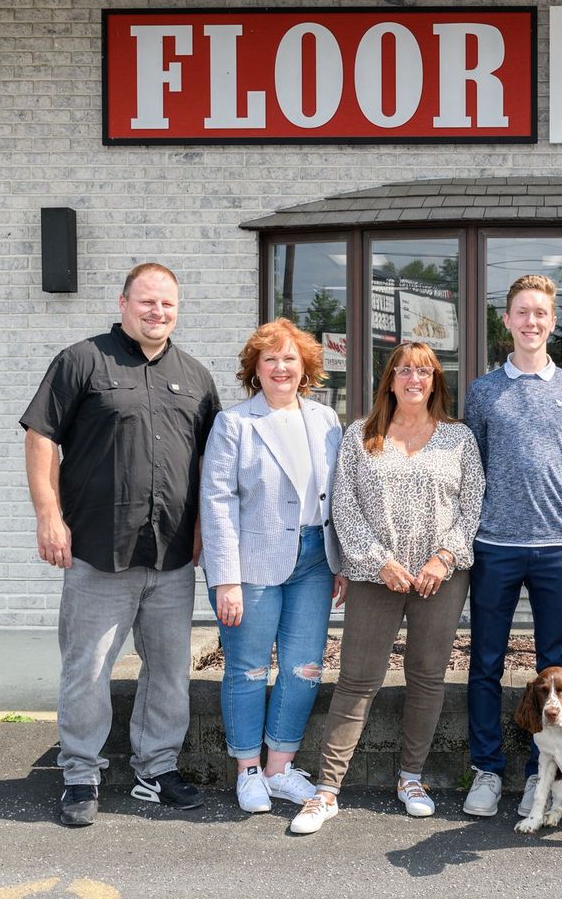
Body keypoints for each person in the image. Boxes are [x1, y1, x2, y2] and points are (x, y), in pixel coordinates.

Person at [21, 263, 221, 827]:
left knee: (168, 669)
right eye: (147, 302)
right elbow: (41, 440)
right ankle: (80, 773)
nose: (157, 312)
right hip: (98, 549)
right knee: (86, 668)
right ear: (124, 302)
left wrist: (204, 531)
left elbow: (210, 462)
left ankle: (156, 769)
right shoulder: (82, 360)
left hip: (173, 554)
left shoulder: (196, 377)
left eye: (168, 305)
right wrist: (49, 517)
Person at [290, 342, 485, 834]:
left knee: (426, 676)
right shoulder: (361, 435)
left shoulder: (458, 439)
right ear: (390, 380)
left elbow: (473, 506)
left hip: (441, 577)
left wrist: (443, 558)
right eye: (405, 371)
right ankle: (327, 790)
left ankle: (411, 779)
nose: (414, 379)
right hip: (376, 577)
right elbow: (345, 507)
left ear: (436, 381)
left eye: (425, 371)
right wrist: (380, 563)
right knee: (357, 678)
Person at [199, 318, 347, 814]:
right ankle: (248, 772)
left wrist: (340, 561)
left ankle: (280, 769)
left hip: (314, 560)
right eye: (270, 359)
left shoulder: (326, 420)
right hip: (252, 564)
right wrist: (225, 579)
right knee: (248, 668)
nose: (281, 367)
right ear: (255, 369)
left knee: (304, 667)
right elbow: (216, 502)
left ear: (305, 365)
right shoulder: (235, 423)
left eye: (290, 358)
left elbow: (338, 497)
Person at [462, 274, 562, 819]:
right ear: (507, 319)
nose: (531, 321)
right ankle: (487, 772)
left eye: (541, 312)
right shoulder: (483, 391)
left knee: (554, 670)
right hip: (494, 545)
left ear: (553, 320)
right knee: (485, 663)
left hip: (558, 548)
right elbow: (472, 465)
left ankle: (539, 776)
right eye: (522, 312)